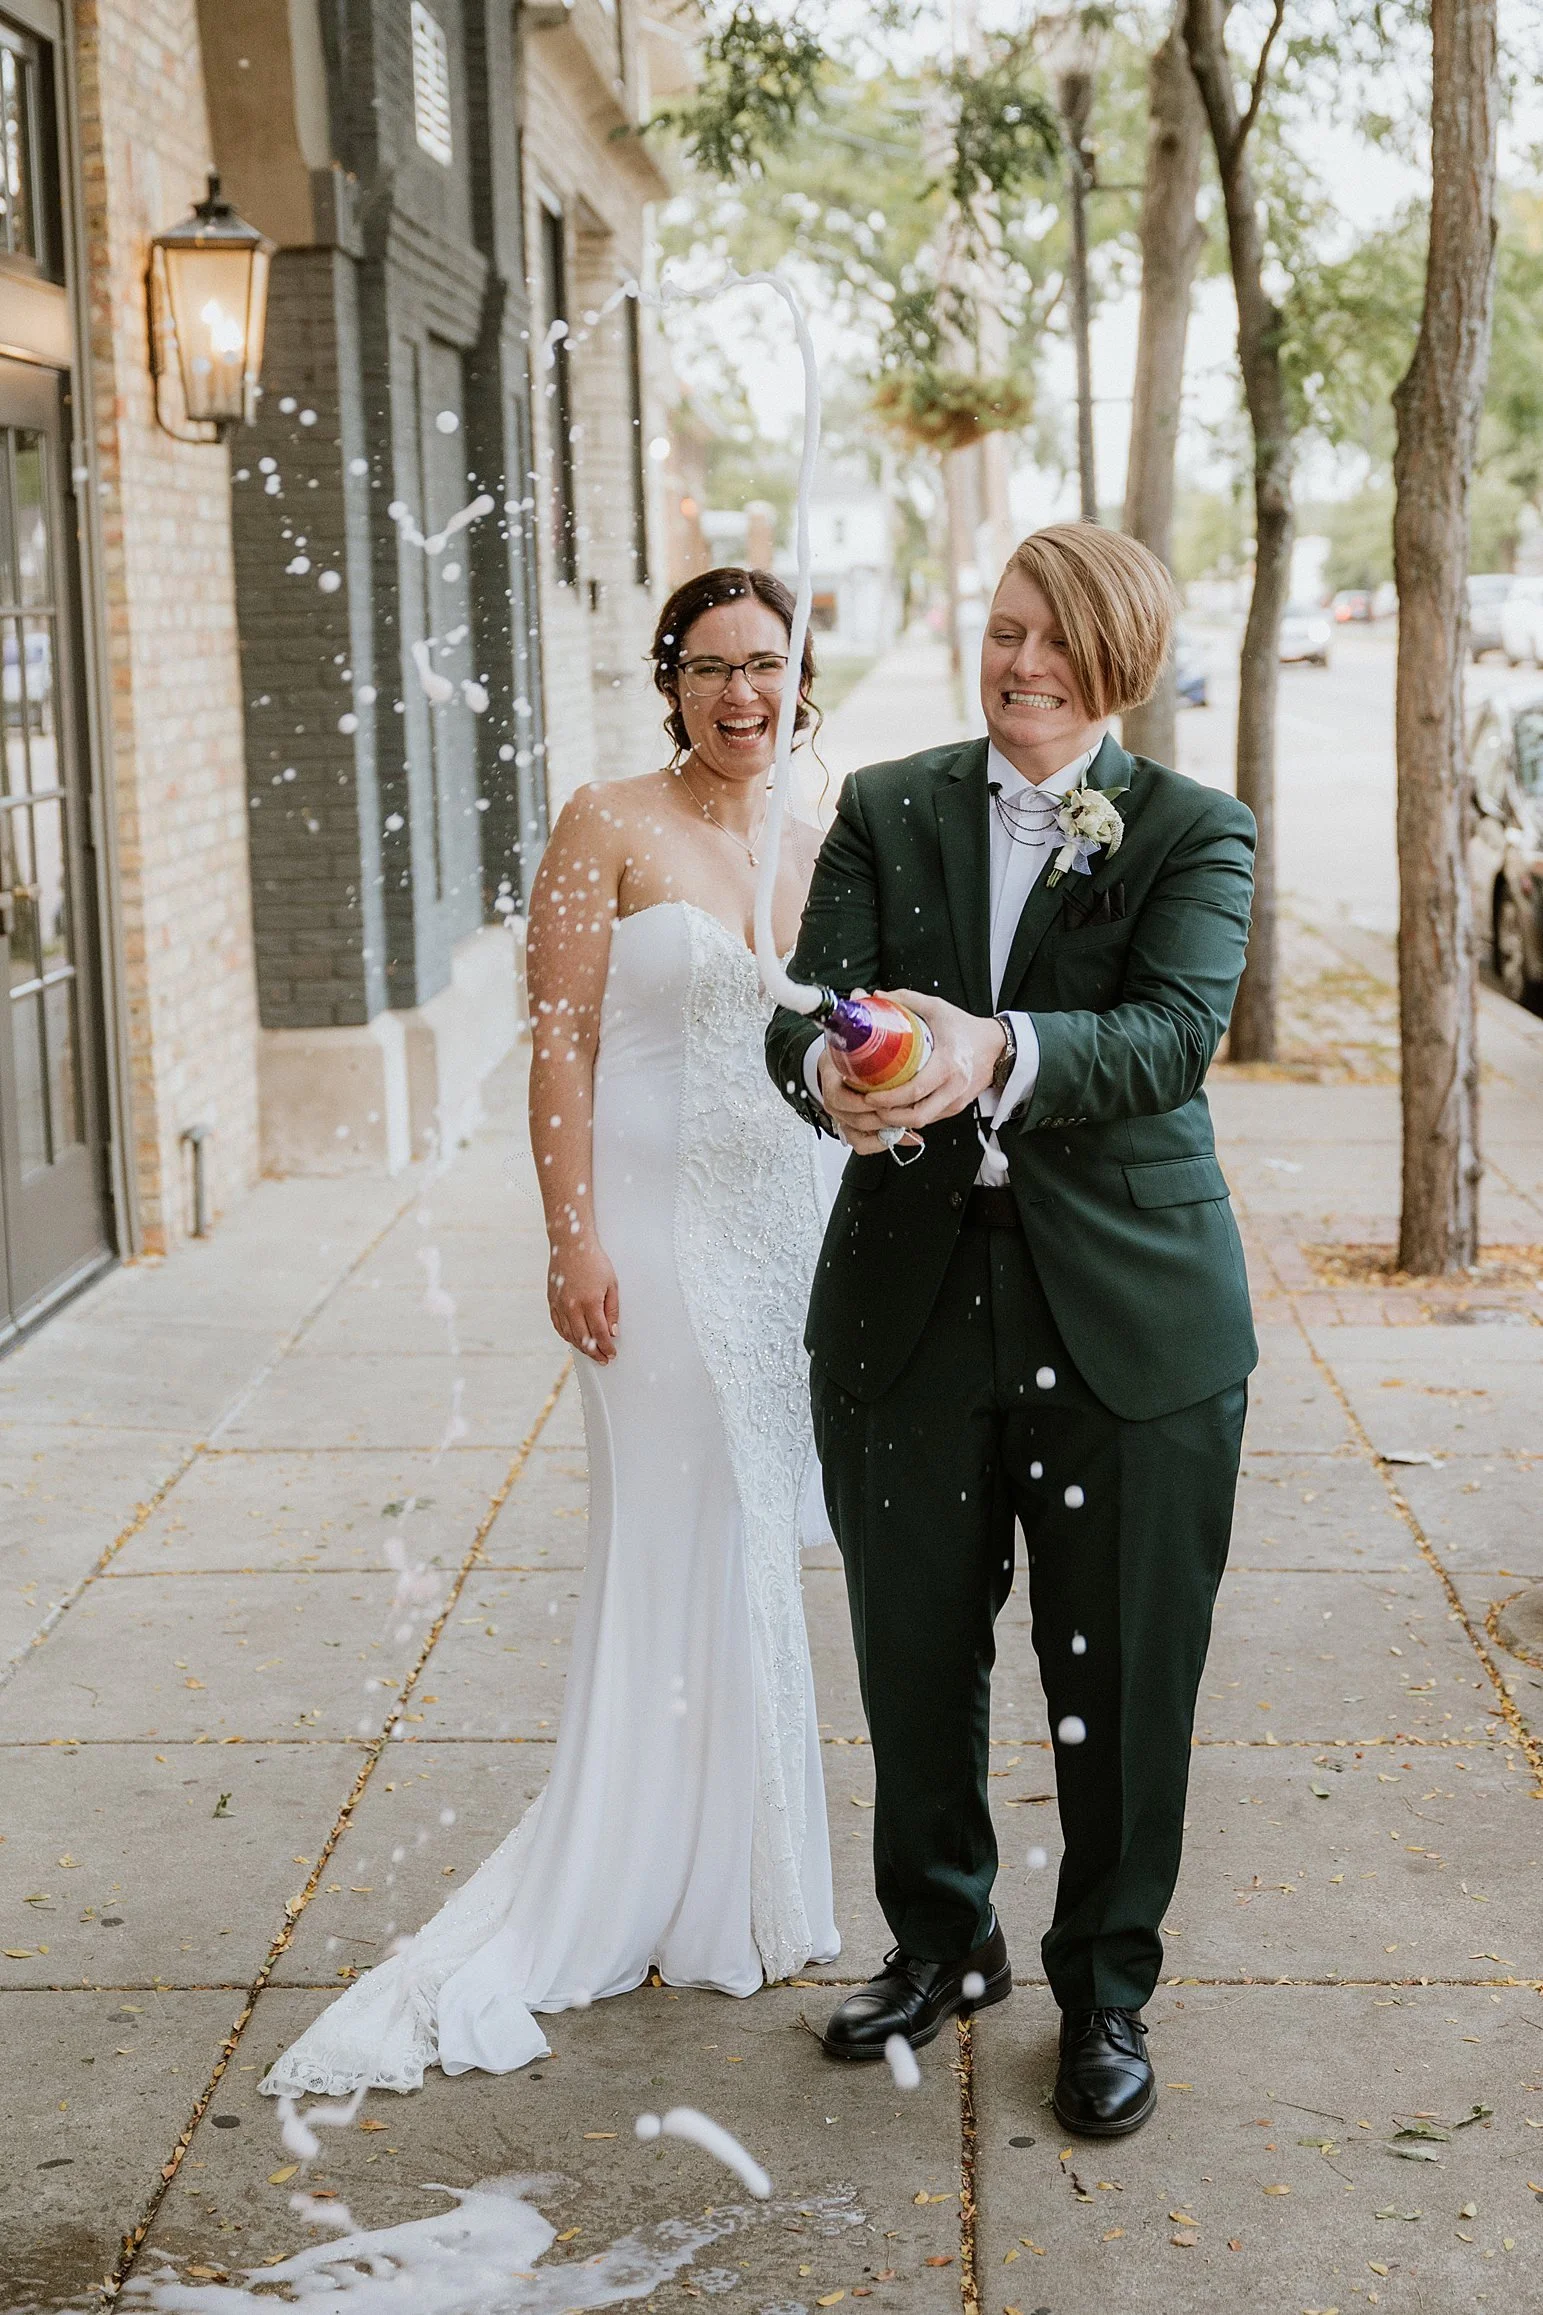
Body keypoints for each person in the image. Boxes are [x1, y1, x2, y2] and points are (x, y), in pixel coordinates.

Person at [262, 567, 838, 2100]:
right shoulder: (604, 821)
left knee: (750, 1543)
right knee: (667, 1536)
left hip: (784, 1233)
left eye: (764, 664)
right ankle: (631, 1868)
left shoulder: (818, 838)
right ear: (669, 682)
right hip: (646, 1236)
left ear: (799, 678)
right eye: (707, 667)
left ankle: (742, 1878)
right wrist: (569, 1233)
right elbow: (563, 1038)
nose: (739, 694)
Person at [766, 523, 1257, 2138]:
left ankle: (1105, 1986)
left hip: (1131, 1317)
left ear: (1118, 658)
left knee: (1120, 1666)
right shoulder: (885, 804)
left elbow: (1169, 1035)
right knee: (910, 1649)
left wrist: (994, 1047)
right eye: (1002, 630)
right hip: (905, 1305)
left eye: (1054, 639)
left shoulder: (1191, 829)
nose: (1021, 664)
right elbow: (809, 1009)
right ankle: (939, 1939)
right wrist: (832, 1077)